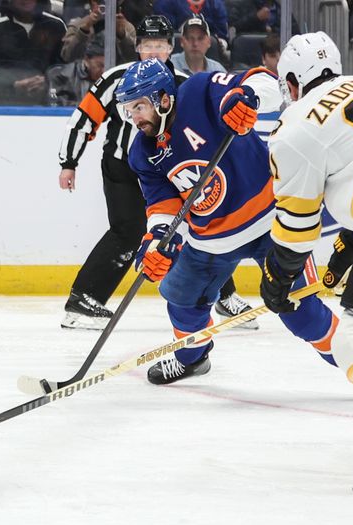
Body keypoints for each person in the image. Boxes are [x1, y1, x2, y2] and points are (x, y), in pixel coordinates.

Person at [114, 57, 339, 385]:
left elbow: (267, 82)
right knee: (180, 296)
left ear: (163, 99)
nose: (134, 118)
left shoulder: (199, 91)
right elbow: (161, 204)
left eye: (139, 107)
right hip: (211, 240)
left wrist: (247, 95)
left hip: (272, 221)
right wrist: (157, 239)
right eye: (128, 110)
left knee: (300, 312)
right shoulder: (142, 152)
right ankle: (193, 359)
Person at [56, 15, 253, 330]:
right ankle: (84, 300)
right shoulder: (116, 77)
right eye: (147, 45)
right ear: (136, 47)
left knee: (199, 225)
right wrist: (69, 161)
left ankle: (224, 297)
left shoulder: (185, 82)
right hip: (123, 168)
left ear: (170, 47)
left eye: (159, 46)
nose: (153, 52)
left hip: (171, 168)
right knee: (128, 232)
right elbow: (84, 119)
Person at [260, 31, 353, 493]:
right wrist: (346, 248)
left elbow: (297, 225)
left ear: (293, 82)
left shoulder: (296, 125)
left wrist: (277, 277)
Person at [0, 0, 67, 106]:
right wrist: (13, 85)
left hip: (48, 102)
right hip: (4, 103)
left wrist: (49, 81)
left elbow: (66, 66)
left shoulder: (56, 25)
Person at [60, 0, 137, 65]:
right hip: (83, 76)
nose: (105, 10)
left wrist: (121, 35)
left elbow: (132, 60)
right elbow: (67, 57)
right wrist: (85, 29)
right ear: (92, 3)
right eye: (102, 6)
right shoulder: (78, 25)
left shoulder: (126, 27)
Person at [47, 34, 105, 106]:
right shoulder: (61, 76)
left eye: (106, 66)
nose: (103, 71)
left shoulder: (109, 77)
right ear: (86, 59)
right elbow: (55, 104)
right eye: (100, 65)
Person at [153, 0, 229, 41]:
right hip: (175, 50)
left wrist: (220, 42)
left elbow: (221, 34)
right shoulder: (165, 3)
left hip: (209, 51)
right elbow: (164, 33)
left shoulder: (216, 4)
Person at [227, 0, 299, 36]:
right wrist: (256, 18)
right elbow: (233, 29)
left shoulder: (282, 10)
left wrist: (272, 31)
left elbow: (295, 34)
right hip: (250, 53)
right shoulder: (241, 5)